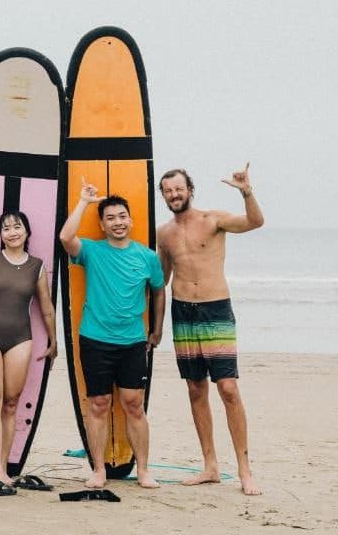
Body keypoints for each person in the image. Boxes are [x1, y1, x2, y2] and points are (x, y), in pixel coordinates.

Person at [157, 164, 264, 495]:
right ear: (163, 195)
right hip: (183, 312)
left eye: (179, 188)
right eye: (168, 190)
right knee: (195, 388)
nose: (174, 194)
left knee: (228, 388)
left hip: (215, 309)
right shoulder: (164, 234)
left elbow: (254, 222)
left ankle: (245, 470)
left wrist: (246, 191)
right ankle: (210, 466)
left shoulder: (213, 220)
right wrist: (154, 326)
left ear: (190, 190)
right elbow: (161, 280)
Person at [59, 179, 165, 489]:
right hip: (95, 339)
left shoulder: (147, 257)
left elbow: (158, 292)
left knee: (134, 404)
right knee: (99, 404)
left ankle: (143, 470)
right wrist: (84, 202)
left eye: (122, 216)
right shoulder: (92, 251)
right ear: (103, 225)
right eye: (110, 218)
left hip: (132, 341)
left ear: (131, 220)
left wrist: (157, 329)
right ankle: (99, 471)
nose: (118, 222)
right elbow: (66, 236)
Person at [0, 211, 58, 495]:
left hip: (20, 337)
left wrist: (54, 341)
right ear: (1, 235)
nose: (12, 232)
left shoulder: (37, 266)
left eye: (17, 227)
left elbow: (46, 307)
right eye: (6, 228)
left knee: (11, 403)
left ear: (27, 232)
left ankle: (3, 466)